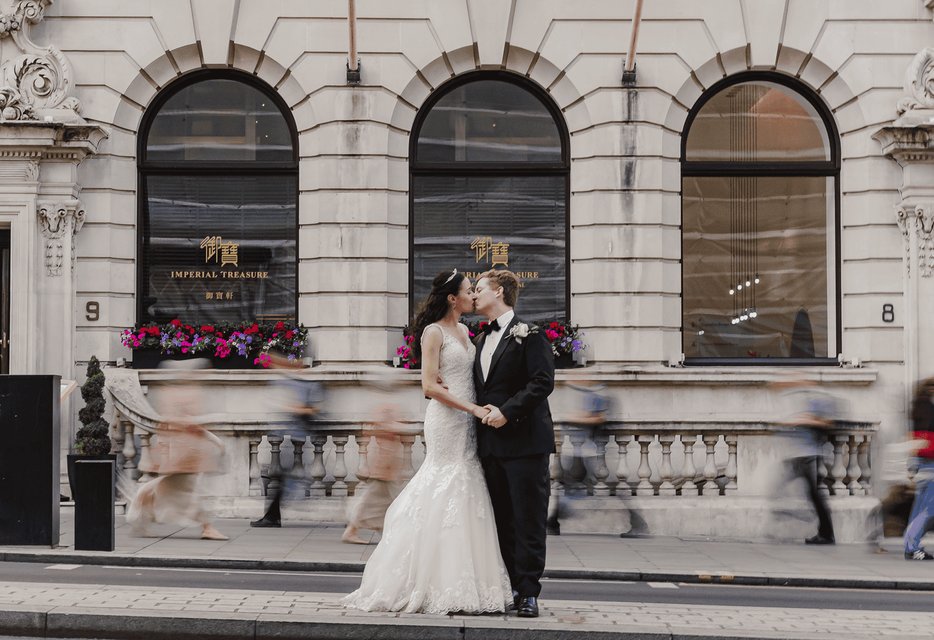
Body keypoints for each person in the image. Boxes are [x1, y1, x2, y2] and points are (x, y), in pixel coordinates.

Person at [342, 269, 512, 614]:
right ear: (453, 298)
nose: (473, 296)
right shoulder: (433, 333)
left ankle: (468, 583)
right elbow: (429, 387)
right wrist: (474, 409)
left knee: (466, 487)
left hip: (467, 420)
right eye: (468, 291)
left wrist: (481, 409)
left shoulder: (466, 331)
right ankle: (422, 580)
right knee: (444, 481)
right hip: (447, 420)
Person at [472, 268, 556, 619]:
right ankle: (508, 586)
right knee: (501, 520)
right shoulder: (478, 340)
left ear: (500, 292)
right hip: (490, 446)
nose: (473, 295)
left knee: (528, 520)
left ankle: (529, 592)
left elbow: (542, 382)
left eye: (479, 289)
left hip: (525, 443)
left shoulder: (531, 334)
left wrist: (507, 412)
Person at [126, 361, 228, 541]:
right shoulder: (174, 394)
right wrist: (204, 426)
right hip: (182, 452)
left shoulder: (187, 392)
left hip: (189, 451)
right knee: (188, 490)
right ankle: (207, 527)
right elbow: (174, 421)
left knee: (170, 488)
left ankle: (139, 514)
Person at [250, 348, 324, 528]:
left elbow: (313, 409)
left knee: (283, 477)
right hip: (286, 436)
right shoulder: (288, 380)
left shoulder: (305, 383)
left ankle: (274, 515)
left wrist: (295, 409)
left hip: (296, 437)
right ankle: (273, 515)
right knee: (279, 476)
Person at [773, 376, 839, 545]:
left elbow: (825, 422)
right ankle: (822, 531)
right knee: (801, 492)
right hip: (797, 453)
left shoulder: (817, 399)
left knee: (812, 495)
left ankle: (824, 532)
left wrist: (801, 420)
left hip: (808, 454)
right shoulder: (798, 398)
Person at [342, 375, 406, 544]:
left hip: (387, 461)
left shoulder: (385, 406)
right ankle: (353, 529)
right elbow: (381, 430)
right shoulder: (385, 408)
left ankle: (385, 532)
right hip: (384, 461)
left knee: (383, 500)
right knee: (376, 499)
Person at [904, 377, 934, 560]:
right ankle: (912, 546)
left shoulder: (919, 406)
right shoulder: (927, 407)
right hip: (928, 462)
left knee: (920, 508)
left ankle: (911, 545)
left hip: (921, 461)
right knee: (927, 509)